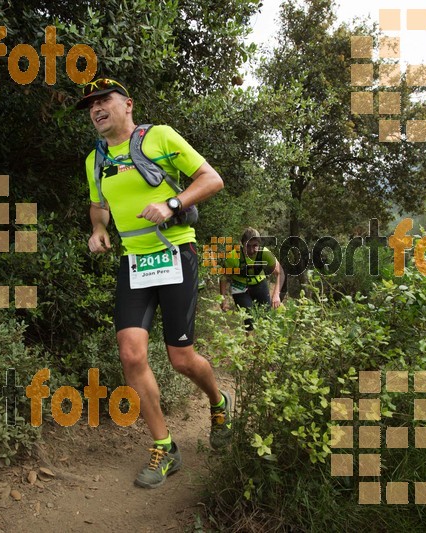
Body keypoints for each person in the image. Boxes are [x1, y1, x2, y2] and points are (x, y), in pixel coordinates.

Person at [77, 77, 232, 489]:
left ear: (127, 104)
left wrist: (172, 203)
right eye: (90, 105)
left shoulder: (158, 137)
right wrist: (97, 230)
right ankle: (165, 447)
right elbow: (98, 206)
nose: (95, 108)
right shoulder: (95, 159)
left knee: (181, 359)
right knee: (130, 355)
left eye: (102, 100)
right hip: (135, 263)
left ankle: (218, 402)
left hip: (176, 253)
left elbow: (211, 179)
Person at [220, 228, 284, 330]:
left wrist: (276, 294)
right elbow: (223, 277)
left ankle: (262, 344)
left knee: (265, 318)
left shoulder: (265, 253)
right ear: (242, 244)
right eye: (247, 246)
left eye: (255, 246)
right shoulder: (233, 256)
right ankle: (250, 344)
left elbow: (280, 272)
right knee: (249, 319)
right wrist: (223, 298)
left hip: (259, 284)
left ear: (259, 244)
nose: (251, 250)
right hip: (239, 286)